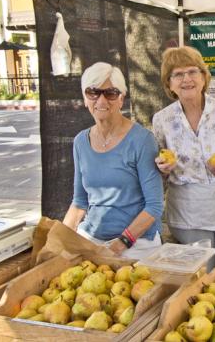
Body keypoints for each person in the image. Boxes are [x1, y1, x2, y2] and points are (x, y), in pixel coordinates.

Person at [152, 46, 215, 270]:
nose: (186, 79)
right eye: (178, 74)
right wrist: (163, 167)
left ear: (203, 76)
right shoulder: (162, 120)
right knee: (198, 281)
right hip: (188, 210)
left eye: (192, 72)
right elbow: (158, 167)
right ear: (169, 83)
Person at [63, 62, 164, 259]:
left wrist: (119, 245)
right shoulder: (80, 142)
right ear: (85, 98)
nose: (101, 100)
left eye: (110, 93)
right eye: (93, 92)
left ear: (121, 99)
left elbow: (154, 206)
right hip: (92, 237)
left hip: (136, 242)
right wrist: (60, 242)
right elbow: (79, 202)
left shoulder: (142, 140)